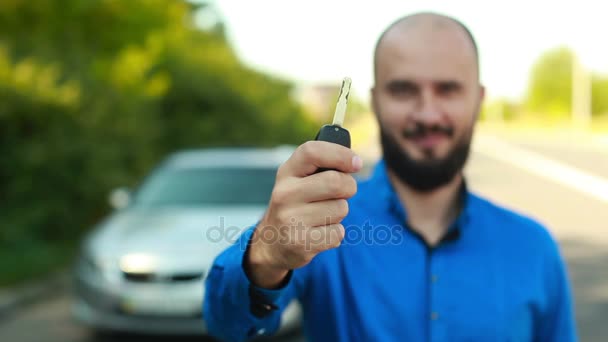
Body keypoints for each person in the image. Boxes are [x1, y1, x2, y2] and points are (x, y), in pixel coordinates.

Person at [203, 12, 577, 341]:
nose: (428, 114)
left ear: (478, 100)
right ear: (377, 100)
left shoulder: (534, 247)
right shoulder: (318, 222)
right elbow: (227, 324)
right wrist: (267, 254)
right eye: (403, 90)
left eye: (448, 89)